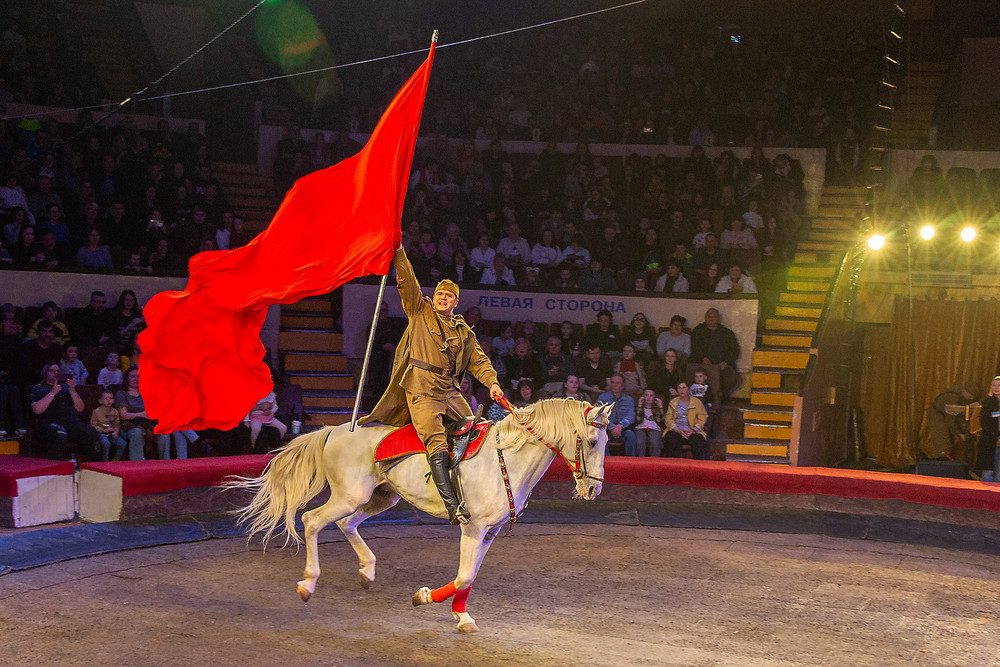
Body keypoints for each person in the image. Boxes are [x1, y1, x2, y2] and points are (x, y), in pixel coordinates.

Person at [359, 246, 503, 525]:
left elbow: (480, 362)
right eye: (439, 294)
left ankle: (474, 486)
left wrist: (493, 383)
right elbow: (407, 283)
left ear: (455, 302)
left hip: (450, 391)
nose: (442, 298)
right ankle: (452, 507)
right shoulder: (419, 311)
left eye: (448, 296)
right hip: (422, 389)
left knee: (474, 430)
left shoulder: (464, 332)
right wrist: (399, 254)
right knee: (436, 442)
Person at [30, 363, 100, 460]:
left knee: (91, 432)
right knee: (59, 434)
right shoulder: (38, 387)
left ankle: (93, 468)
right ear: (45, 373)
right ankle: (54, 470)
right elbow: (37, 410)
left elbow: (80, 408)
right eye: (52, 370)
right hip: (48, 425)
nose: (55, 373)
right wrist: (53, 392)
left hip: (71, 424)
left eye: (58, 371)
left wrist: (73, 390)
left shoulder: (67, 388)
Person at [690, 308, 740, 398]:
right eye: (709, 316)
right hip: (704, 364)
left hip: (722, 365)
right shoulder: (698, 331)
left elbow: (735, 350)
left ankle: (719, 397)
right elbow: (695, 348)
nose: (711, 319)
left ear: (718, 319)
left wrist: (726, 362)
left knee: (731, 376)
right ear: (705, 318)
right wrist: (703, 358)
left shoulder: (727, 333)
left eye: (714, 317)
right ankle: (704, 399)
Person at [924, 382, 979, 461]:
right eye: (970, 396)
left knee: (950, 441)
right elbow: (950, 420)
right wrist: (959, 434)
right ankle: (937, 464)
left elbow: (957, 412)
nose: (971, 399)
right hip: (937, 414)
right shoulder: (953, 398)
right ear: (965, 391)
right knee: (943, 442)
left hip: (946, 414)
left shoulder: (961, 393)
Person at [664, 381, 709, 460]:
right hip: (677, 430)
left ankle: (698, 467)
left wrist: (693, 430)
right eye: (679, 388)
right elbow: (668, 419)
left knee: (698, 441)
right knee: (672, 439)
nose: (682, 390)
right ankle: (675, 466)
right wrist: (677, 429)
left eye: (684, 387)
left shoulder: (696, 402)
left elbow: (702, 417)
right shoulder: (673, 402)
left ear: (688, 390)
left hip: (692, 430)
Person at [597, 374, 637, 456]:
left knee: (630, 435)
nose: (614, 385)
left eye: (618, 383)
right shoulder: (603, 398)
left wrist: (620, 426)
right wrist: (611, 427)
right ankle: (607, 463)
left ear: (623, 386)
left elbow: (631, 416)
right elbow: (598, 415)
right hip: (606, 429)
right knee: (599, 435)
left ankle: (632, 463)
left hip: (622, 430)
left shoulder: (629, 399)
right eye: (612, 382)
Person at [91, 389, 126, 461]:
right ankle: (105, 461)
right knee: (106, 443)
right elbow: (93, 425)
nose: (108, 400)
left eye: (110, 398)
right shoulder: (96, 412)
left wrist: (115, 432)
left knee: (122, 444)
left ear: (113, 400)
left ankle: (115, 460)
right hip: (101, 433)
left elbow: (117, 424)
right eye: (105, 398)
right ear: (100, 401)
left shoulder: (115, 412)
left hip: (111, 433)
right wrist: (104, 430)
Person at [977, 376, 1000, 477]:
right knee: (988, 470)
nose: (996, 388)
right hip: (990, 439)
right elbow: (984, 421)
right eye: (994, 385)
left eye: (999, 385)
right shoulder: (987, 403)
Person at [634, 388, 665, 457]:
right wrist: (639, 405)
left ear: (654, 397)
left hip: (654, 428)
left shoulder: (656, 408)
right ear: (643, 397)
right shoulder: (639, 407)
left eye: (651, 396)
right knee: (640, 442)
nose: (648, 398)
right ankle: (640, 463)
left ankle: (654, 463)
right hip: (641, 428)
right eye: (646, 395)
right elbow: (637, 421)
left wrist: (660, 407)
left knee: (654, 442)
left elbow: (662, 422)